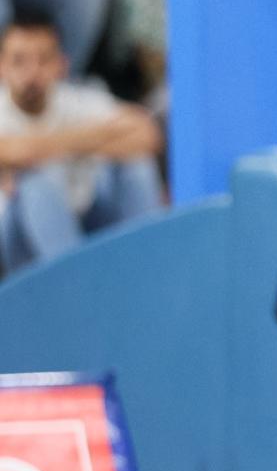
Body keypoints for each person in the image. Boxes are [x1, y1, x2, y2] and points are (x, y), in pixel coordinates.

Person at [0, 15, 163, 277]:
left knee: (136, 166)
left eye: (43, 59)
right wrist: (92, 139)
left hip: (85, 217)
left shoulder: (78, 100)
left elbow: (147, 134)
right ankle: (78, 293)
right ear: (2, 67)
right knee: (32, 184)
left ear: (61, 65)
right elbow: (15, 152)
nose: (32, 73)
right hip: (18, 244)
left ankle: (149, 274)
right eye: (19, 60)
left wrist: (46, 149)